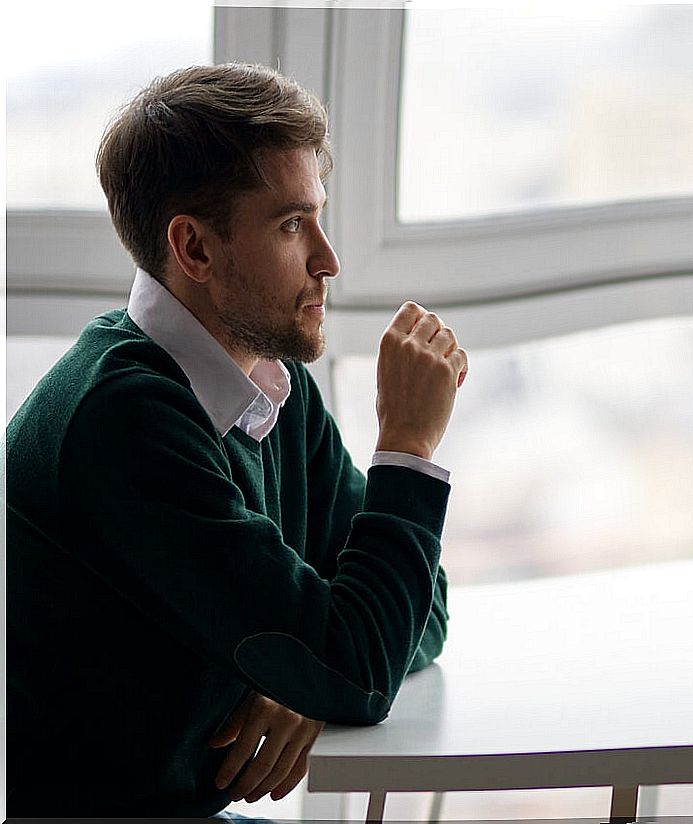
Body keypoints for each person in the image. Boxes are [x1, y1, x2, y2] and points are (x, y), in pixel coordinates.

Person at [6, 63, 467, 817]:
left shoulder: (268, 387)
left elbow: (418, 609)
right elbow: (364, 662)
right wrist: (408, 445)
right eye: (292, 225)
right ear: (193, 250)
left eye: (319, 217)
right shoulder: (123, 422)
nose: (329, 259)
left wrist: (308, 681)